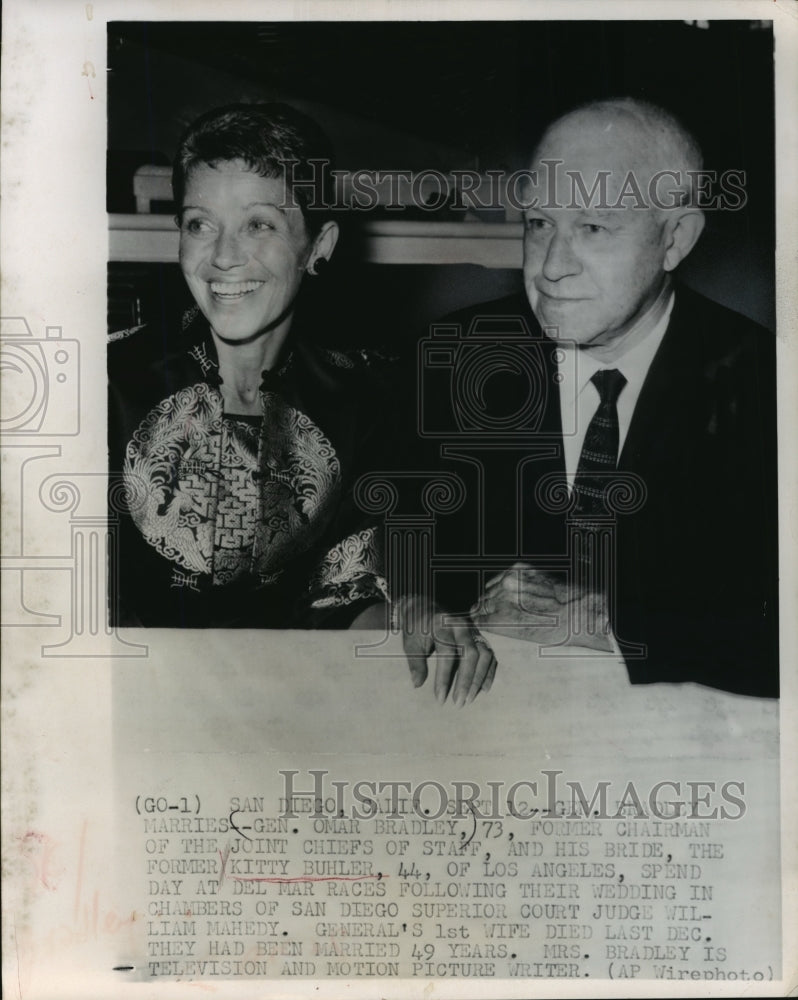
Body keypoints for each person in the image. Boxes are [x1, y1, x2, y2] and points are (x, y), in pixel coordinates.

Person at [422, 97, 778, 697]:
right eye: (539, 225)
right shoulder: (454, 355)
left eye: (593, 227)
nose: (552, 267)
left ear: (675, 239)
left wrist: (615, 628)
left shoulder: (767, 386)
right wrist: (426, 603)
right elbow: (380, 539)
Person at [108, 103, 392, 628]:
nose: (222, 255)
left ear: (318, 246)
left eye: (258, 224)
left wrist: (413, 622)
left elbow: (351, 593)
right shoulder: (100, 383)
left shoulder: (363, 400)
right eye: (200, 224)